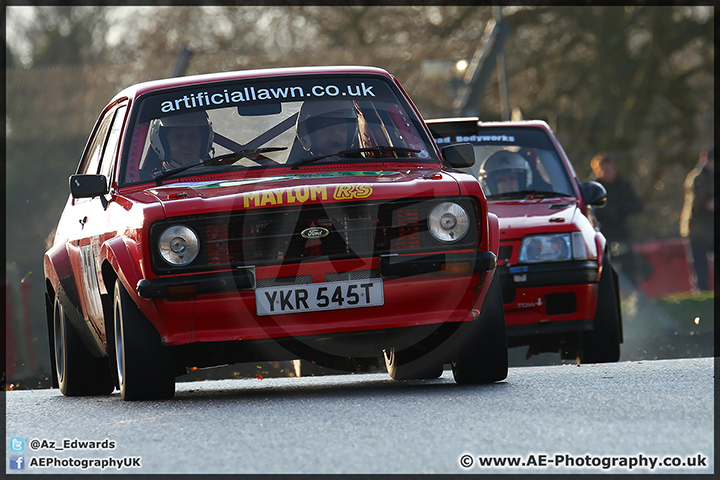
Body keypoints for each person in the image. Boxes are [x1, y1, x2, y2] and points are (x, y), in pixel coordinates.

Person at [589, 152, 643, 283]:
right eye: (604, 170)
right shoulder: (593, 189)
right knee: (605, 266)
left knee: (628, 265)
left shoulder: (623, 185)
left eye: (610, 169)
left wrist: (619, 210)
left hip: (621, 233)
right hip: (602, 234)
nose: (608, 173)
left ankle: (634, 296)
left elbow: (637, 206)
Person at [140, 111, 214, 178]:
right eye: (178, 137)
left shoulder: (221, 174)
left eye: (193, 137)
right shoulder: (146, 184)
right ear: (163, 143)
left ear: (204, 141)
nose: (186, 144)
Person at [680, 149, 714, 291]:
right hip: (697, 231)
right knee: (700, 268)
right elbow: (707, 204)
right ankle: (702, 296)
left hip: (711, 229)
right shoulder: (697, 178)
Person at [480, 150, 552, 195]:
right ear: (489, 184)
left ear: (525, 180)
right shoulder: (484, 209)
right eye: (501, 180)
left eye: (512, 178)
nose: (508, 183)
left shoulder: (537, 204)